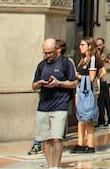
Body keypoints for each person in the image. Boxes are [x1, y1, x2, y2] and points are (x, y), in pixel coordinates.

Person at [32, 37, 78, 169]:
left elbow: (74, 82)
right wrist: (39, 84)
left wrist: (59, 83)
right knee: (45, 138)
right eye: (45, 53)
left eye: (50, 52)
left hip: (60, 106)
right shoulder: (41, 65)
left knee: (57, 138)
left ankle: (56, 166)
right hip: (43, 106)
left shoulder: (66, 63)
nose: (48, 56)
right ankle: (50, 165)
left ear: (57, 50)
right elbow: (33, 85)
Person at [70, 37, 99, 154]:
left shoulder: (92, 59)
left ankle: (90, 144)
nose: (80, 47)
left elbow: (91, 78)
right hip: (80, 89)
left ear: (89, 46)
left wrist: (78, 76)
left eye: (83, 45)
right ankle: (80, 143)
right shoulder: (83, 59)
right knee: (80, 117)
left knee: (88, 118)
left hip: (88, 91)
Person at [95, 38, 110, 128]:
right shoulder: (96, 52)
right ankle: (101, 120)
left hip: (106, 79)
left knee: (106, 99)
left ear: (104, 44)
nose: (99, 47)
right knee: (101, 100)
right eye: (97, 45)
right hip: (99, 79)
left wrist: (106, 60)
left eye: (100, 45)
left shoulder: (108, 52)